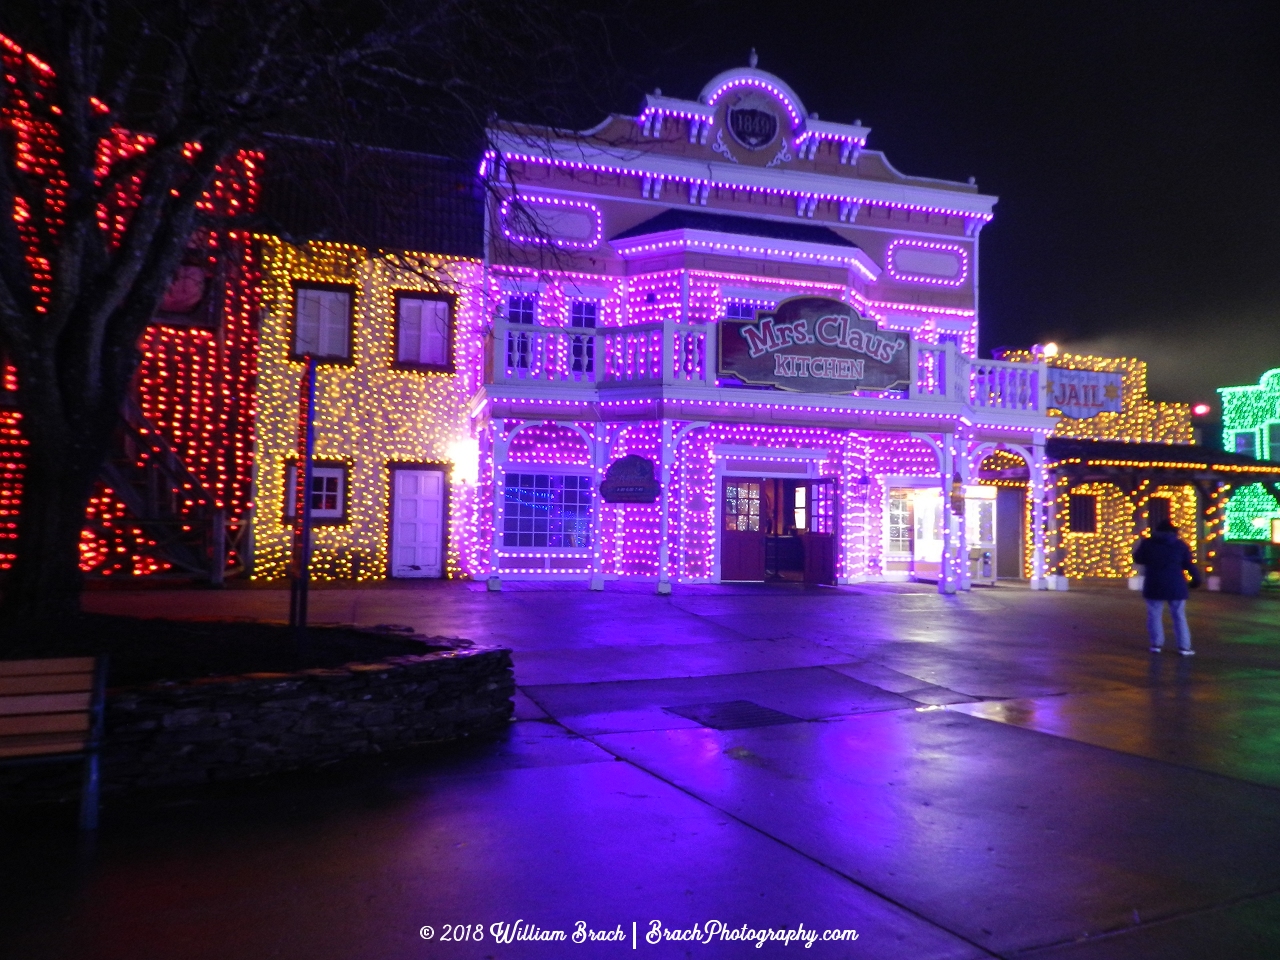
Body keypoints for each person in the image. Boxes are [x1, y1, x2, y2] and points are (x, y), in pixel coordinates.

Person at [1133, 520, 1200, 655]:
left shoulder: (1148, 543)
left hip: (1154, 583)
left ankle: (1156, 645)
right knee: (1179, 615)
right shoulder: (1180, 545)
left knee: (1154, 615)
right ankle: (1184, 647)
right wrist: (1196, 579)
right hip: (1176, 585)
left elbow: (1138, 559)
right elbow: (1188, 564)